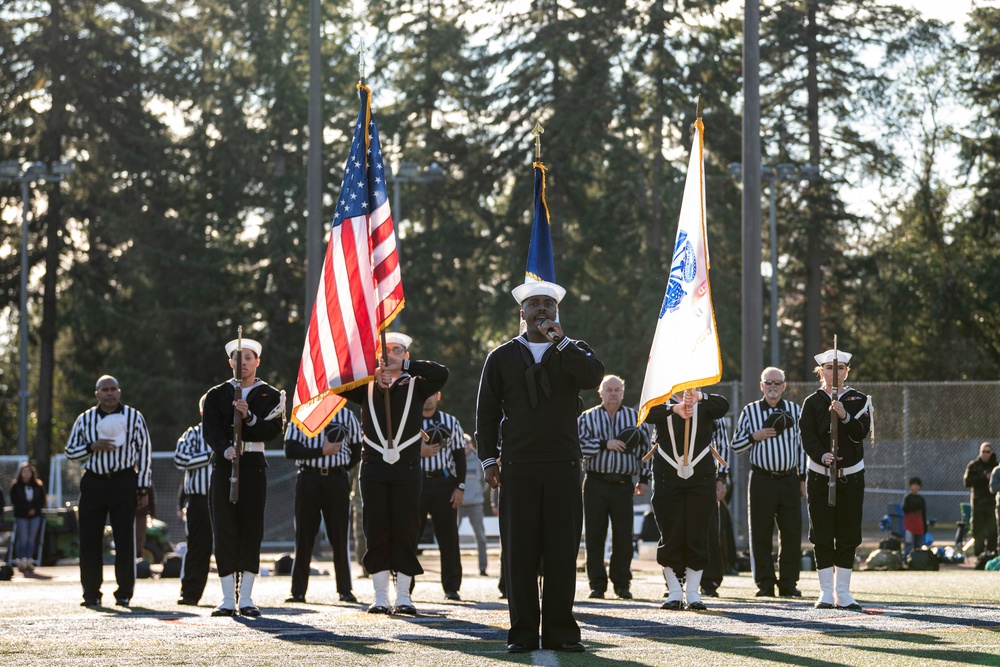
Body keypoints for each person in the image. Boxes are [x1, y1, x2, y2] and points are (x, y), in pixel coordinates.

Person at [476, 280, 604, 654]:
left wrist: (561, 343)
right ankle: (523, 634)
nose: (542, 310)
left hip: (564, 465)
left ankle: (562, 632)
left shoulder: (573, 350)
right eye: (535, 304)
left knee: (563, 551)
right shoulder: (500, 356)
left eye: (549, 304)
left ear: (557, 312)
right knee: (520, 553)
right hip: (518, 466)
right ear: (522, 313)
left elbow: (593, 377)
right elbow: (485, 413)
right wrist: (488, 460)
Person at [338, 331, 448, 616]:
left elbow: (442, 373)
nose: (392, 354)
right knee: (376, 528)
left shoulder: (417, 385)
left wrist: (404, 368)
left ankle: (403, 595)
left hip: (407, 467)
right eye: (387, 350)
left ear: (407, 356)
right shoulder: (366, 385)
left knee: (406, 527)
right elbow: (335, 381)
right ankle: (380, 595)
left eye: (399, 350)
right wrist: (370, 372)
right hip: (374, 466)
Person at [204, 337, 285, 618]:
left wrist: (249, 417)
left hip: (252, 464)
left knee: (251, 529)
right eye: (238, 358)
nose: (243, 363)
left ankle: (247, 597)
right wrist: (223, 449)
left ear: (257, 361)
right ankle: (227, 598)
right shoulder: (216, 394)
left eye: (248, 357)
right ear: (230, 363)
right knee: (224, 528)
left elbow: (271, 431)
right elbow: (210, 430)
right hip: (225, 464)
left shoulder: (270, 395)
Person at [65, 375, 152, 607]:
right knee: (89, 538)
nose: (109, 393)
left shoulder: (134, 417)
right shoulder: (85, 419)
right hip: (93, 481)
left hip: (124, 480)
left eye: (113, 389)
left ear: (119, 392)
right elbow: (70, 451)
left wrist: (143, 486)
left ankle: (124, 593)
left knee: (125, 538)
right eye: (105, 389)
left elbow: (144, 452)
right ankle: (91, 593)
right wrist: (91, 447)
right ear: (97, 394)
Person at [800, 348, 872, 612]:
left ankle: (843, 592)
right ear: (822, 372)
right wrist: (822, 455)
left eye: (840, 368)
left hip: (851, 478)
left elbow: (860, 433)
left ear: (847, 371)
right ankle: (826, 592)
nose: (835, 373)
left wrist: (844, 415)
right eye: (830, 368)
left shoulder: (859, 399)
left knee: (848, 533)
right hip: (820, 476)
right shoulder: (812, 402)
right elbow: (807, 437)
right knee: (821, 533)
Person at [645, 388, 730, 611]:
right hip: (667, 476)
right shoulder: (660, 402)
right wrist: (675, 408)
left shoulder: (707, 402)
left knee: (698, 533)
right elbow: (646, 413)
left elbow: (723, 406)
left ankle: (693, 593)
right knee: (671, 532)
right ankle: (674, 592)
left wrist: (700, 398)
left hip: (700, 476)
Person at [730, 366, 806, 598]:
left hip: (790, 479)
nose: (773, 387)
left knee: (792, 533)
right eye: (768, 383)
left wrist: (803, 478)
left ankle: (788, 583)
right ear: (761, 386)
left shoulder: (795, 410)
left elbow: (803, 447)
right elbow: (735, 446)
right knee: (761, 533)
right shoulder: (750, 411)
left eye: (777, 383)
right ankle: (764, 583)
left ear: (784, 386)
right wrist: (755, 436)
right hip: (762, 478)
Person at [578, 374, 650, 601]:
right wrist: (604, 443)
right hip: (595, 482)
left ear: (623, 392)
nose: (613, 393)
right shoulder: (587, 418)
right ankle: (597, 585)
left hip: (622, 484)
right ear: (600, 393)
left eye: (617, 389)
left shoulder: (635, 418)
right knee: (594, 535)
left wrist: (644, 479)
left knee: (623, 535)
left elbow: (646, 452)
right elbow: (577, 446)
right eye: (608, 389)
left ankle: (622, 584)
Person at [283, 410, 363, 604]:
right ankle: (298, 591)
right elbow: (290, 450)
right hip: (308, 477)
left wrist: (341, 467)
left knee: (339, 536)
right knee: (304, 536)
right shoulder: (302, 413)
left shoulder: (346, 415)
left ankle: (345, 589)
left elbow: (357, 448)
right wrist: (321, 452)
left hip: (336, 478)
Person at [417, 391, 467, 601]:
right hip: (416, 483)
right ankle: (404, 588)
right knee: (410, 535)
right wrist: (418, 451)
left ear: (438, 396)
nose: (427, 398)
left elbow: (459, 457)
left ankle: (452, 586)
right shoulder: (409, 420)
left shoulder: (450, 422)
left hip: (444, 483)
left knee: (448, 537)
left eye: (431, 394)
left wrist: (460, 487)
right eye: (424, 394)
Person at [173, 395, 214, 605]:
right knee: (197, 547)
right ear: (202, 412)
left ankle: (237, 595)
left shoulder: (232, 433)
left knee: (231, 546)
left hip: (227, 498)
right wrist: (211, 455)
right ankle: (190, 592)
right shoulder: (192, 434)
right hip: (199, 500)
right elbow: (180, 459)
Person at [701, 417, 732, 597]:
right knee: (676, 529)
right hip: (675, 477)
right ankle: (675, 579)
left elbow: (722, 445)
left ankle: (709, 580)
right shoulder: (667, 406)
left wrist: (721, 478)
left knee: (709, 530)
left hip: (706, 477)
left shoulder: (712, 409)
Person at [458, 433, 490, 578]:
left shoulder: (478, 460)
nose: (464, 446)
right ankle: (454, 570)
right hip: (457, 503)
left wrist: (477, 494)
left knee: (481, 537)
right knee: (451, 537)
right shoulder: (454, 458)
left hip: (475, 504)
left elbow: (485, 483)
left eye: (466, 443)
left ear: (471, 444)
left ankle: (483, 568)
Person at [10, 462, 46, 573]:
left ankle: (29, 560)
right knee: (23, 538)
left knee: (32, 538)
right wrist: (26, 510)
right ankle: (21, 560)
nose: (26, 473)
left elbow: (42, 500)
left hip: (35, 515)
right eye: (24, 471)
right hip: (21, 515)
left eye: (28, 471)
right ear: (20, 473)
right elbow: (15, 501)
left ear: (32, 472)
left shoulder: (38, 485)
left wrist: (34, 509)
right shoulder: (16, 486)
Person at [963, 442, 998, 557]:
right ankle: (979, 555)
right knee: (977, 530)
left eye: (988, 452)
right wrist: (983, 477)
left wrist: (991, 477)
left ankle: (991, 553)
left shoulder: (996, 466)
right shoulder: (973, 465)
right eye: (983, 451)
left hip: (993, 503)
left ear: (991, 453)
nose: (985, 454)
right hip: (978, 503)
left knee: (993, 530)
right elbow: (967, 482)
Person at [902, 477, 928, 560]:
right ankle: (905, 560)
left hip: (919, 526)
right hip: (910, 527)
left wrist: (925, 527)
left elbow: (924, 514)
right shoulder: (908, 498)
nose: (915, 487)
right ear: (910, 486)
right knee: (908, 546)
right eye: (913, 485)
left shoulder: (921, 499)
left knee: (919, 546)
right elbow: (905, 509)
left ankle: (917, 562)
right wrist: (915, 506)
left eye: (917, 485)